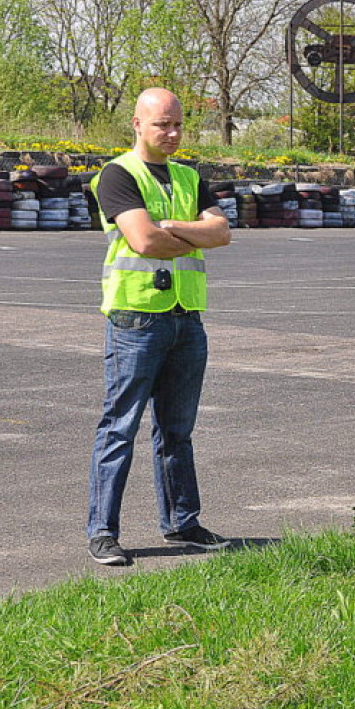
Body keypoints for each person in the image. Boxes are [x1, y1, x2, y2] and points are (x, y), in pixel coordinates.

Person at [87, 88, 232, 566]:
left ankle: (182, 522)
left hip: (185, 320)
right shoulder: (116, 175)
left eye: (177, 125)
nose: (171, 134)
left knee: (177, 431)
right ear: (136, 125)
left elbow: (224, 233)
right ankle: (103, 531)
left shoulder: (190, 176)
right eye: (160, 125)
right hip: (136, 320)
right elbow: (145, 241)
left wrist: (176, 228)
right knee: (120, 427)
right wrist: (192, 235)